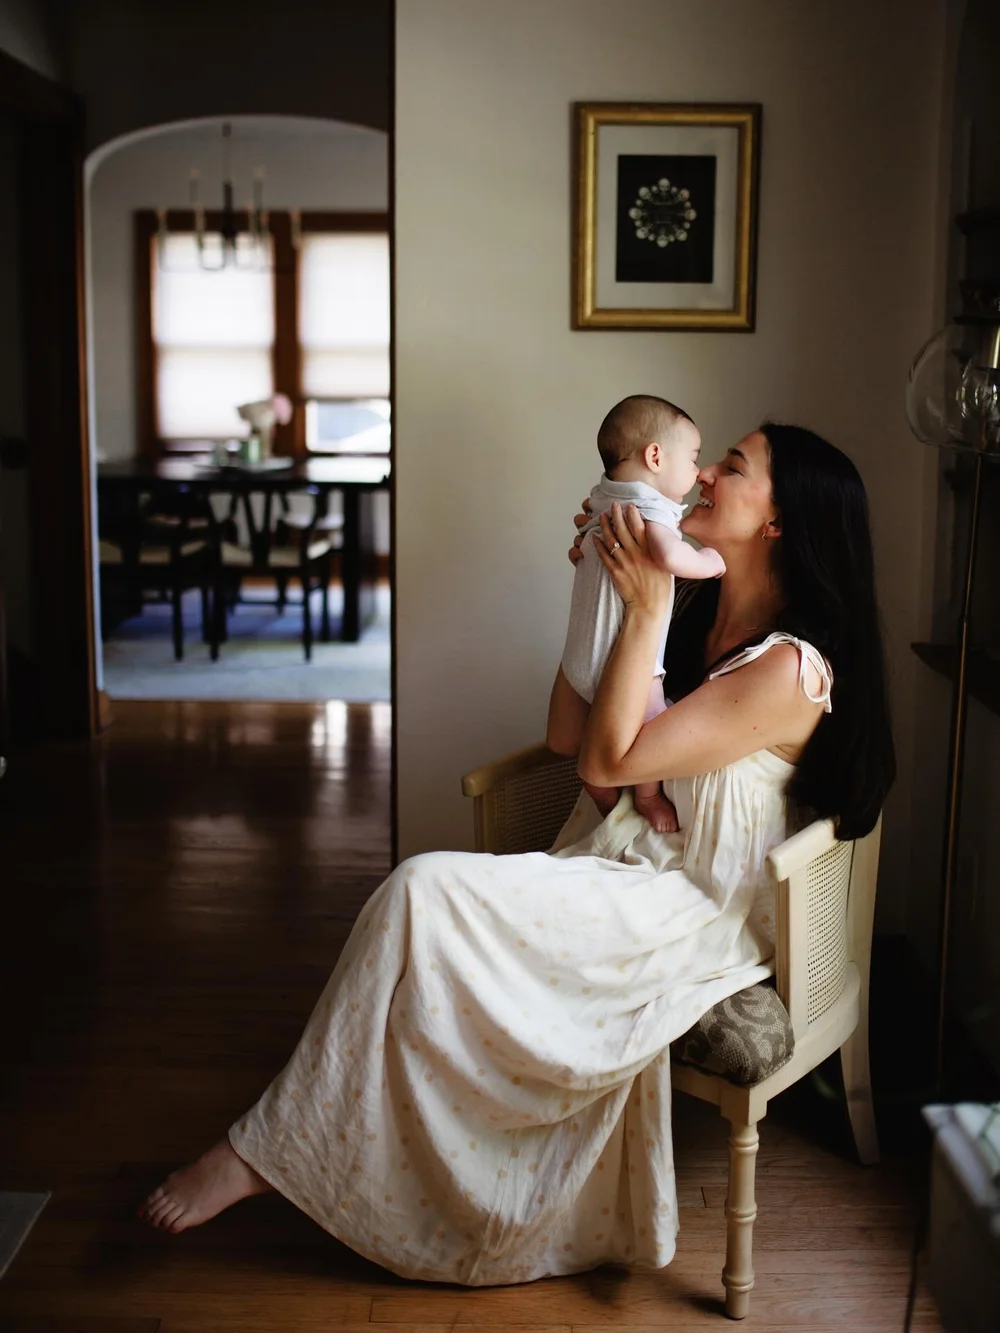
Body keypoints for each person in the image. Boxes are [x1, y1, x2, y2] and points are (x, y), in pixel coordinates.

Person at [139, 422, 895, 1291]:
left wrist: (645, 604)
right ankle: (320, 1147)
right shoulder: (698, 611)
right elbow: (568, 736)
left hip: (693, 910)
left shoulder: (788, 670)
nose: (711, 473)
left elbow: (608, 763)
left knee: (420, 888)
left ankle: (262, 1150)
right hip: (622, 863)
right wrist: (599, 596)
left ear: (777, 522)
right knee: (418, 908)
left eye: (735, 466)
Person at [554, 394, 725, 834]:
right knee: (654, 724)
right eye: (694, 458)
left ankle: (609, 807)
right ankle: (646, 797)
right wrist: (709, 561)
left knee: (600, 768)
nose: (701, 472)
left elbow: (567, 741)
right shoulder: (650, 510)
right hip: (627, 669)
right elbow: (671, 555)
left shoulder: (603, 500)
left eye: (733, 467)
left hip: (582, 658)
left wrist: (642, 604)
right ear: (655, 456)